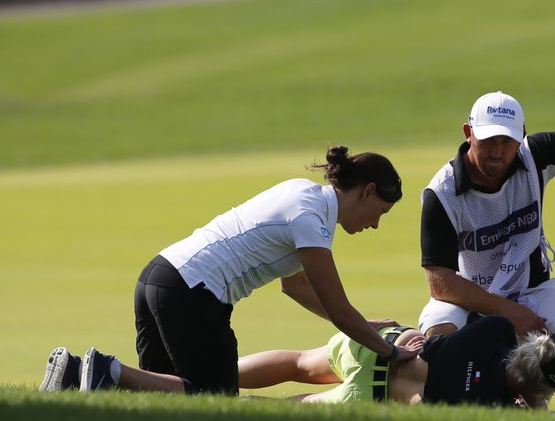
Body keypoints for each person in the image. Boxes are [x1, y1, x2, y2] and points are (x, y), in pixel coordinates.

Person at [39, 146, 423, 396]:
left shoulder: (305, 195)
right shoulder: (312, 219)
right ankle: (106, 369)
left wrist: (364, 323)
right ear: (367, 191)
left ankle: (72, 373)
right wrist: (388, 351)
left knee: (164, 399)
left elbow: (297, 286)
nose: (375, 224)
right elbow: (337, 308)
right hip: (191, 292)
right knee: (215, 397)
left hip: (159, 278)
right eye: (381, 213)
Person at [418, 91, 555, 339]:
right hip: (468, 296)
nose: (497, 153)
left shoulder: (534, 155)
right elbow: (440, 282)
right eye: (489, 140)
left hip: (531, 291)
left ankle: (549, 380)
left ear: (521, 136)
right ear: (469, 133)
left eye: (506, 141)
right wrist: (508, 311)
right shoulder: (441, 193)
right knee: (439, 330)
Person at [235, 315, 555, 420]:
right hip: (371, 397)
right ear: (542, 388)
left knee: (299, 362)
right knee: (285, 409)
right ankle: (203, 394)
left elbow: (442, 332)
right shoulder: (498, 410)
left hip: (381, 348)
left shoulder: (496, 330)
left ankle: (200, 376)